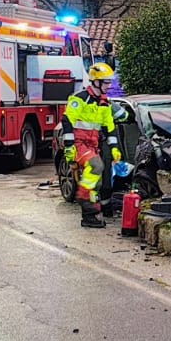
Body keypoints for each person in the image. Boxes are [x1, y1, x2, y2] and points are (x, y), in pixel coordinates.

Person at [60, 62, 121, 228]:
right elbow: (67, 121)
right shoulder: (79, 99)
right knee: (96, 166)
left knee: (97, 182)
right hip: (79, 143)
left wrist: (114, 148)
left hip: (93, 145)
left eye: (109, 82)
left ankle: (89, 215)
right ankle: (83, 196)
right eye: (106, 82)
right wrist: (69, 146)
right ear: (96, 81)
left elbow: (110, 127)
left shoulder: (104, 103)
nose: (109, 86)